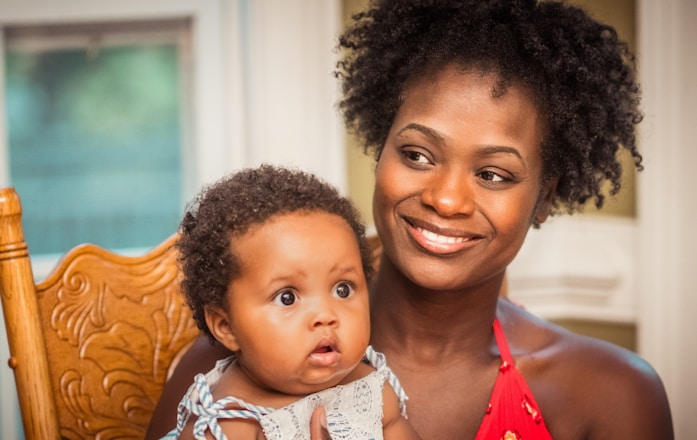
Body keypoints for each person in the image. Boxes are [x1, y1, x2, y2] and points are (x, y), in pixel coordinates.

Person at [147, 0, 674, 438]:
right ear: (380, 150)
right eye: (418, 155)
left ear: (543, 198)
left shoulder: (612, 396)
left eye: (493, 174)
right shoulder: (228, 374)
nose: (446, 200)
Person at [160, 165, 419, 439]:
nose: (325, 314)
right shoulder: (226, 423)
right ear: (226, 326)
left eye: (343, 290)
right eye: (287, 297)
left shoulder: (371, 391)